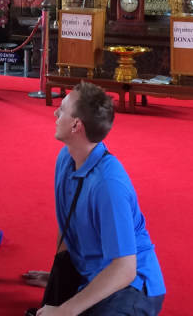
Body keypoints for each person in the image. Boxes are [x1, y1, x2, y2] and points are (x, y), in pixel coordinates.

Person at [38, 82, 165, 316]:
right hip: (92, 272)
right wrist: (60, 276)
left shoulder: (108, 185)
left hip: (131, 286)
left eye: (63, 109)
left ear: (76, 125)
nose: (56, 112)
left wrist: (66, 310)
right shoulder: (66, 158)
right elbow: (68, 224)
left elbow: (125, 269)